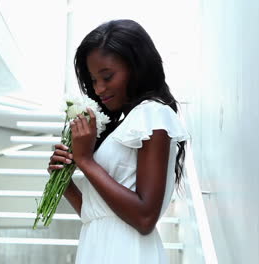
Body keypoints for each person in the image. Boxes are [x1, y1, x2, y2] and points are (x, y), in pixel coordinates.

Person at [48, 19, 189, 264]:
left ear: (137, 68)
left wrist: (85, 160)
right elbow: (95, 213)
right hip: (97, 245)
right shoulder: (126, 123)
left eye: (107, 76)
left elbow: (145, 218)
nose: (99, 89)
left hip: (127, 252)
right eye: (93, 80)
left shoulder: (153, 114)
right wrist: (64, 181)